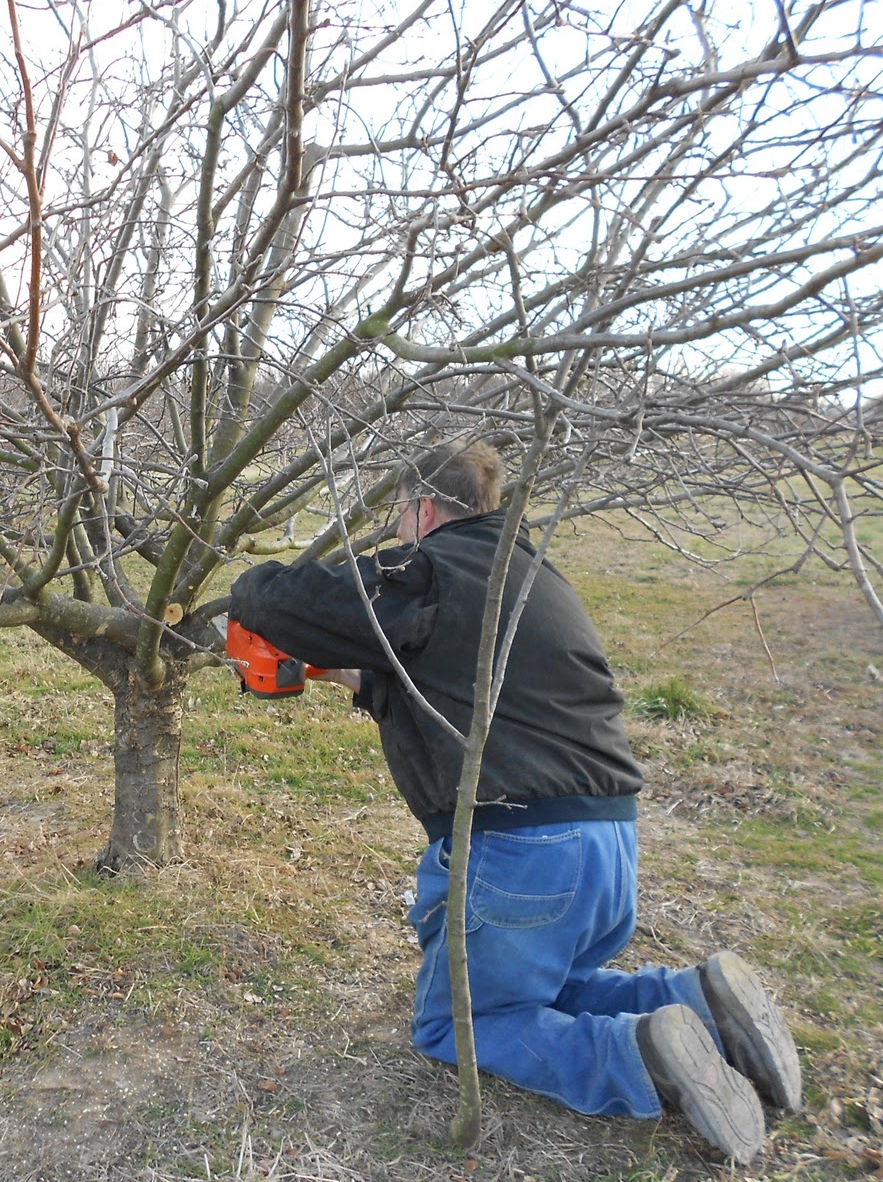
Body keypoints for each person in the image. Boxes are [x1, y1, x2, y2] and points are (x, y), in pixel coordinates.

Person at [229, 440, 802, 1163]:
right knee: (549, 990)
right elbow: (436, 676)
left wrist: (246, 591)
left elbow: (281, 599)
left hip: (526, 857)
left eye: (399, 518)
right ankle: (699, 1003)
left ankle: (639, 1057)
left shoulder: (425, 570)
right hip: (610, 846)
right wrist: (343, 673)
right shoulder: (527, 575)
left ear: (423, 508)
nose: (395, 535)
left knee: (459, 1025)